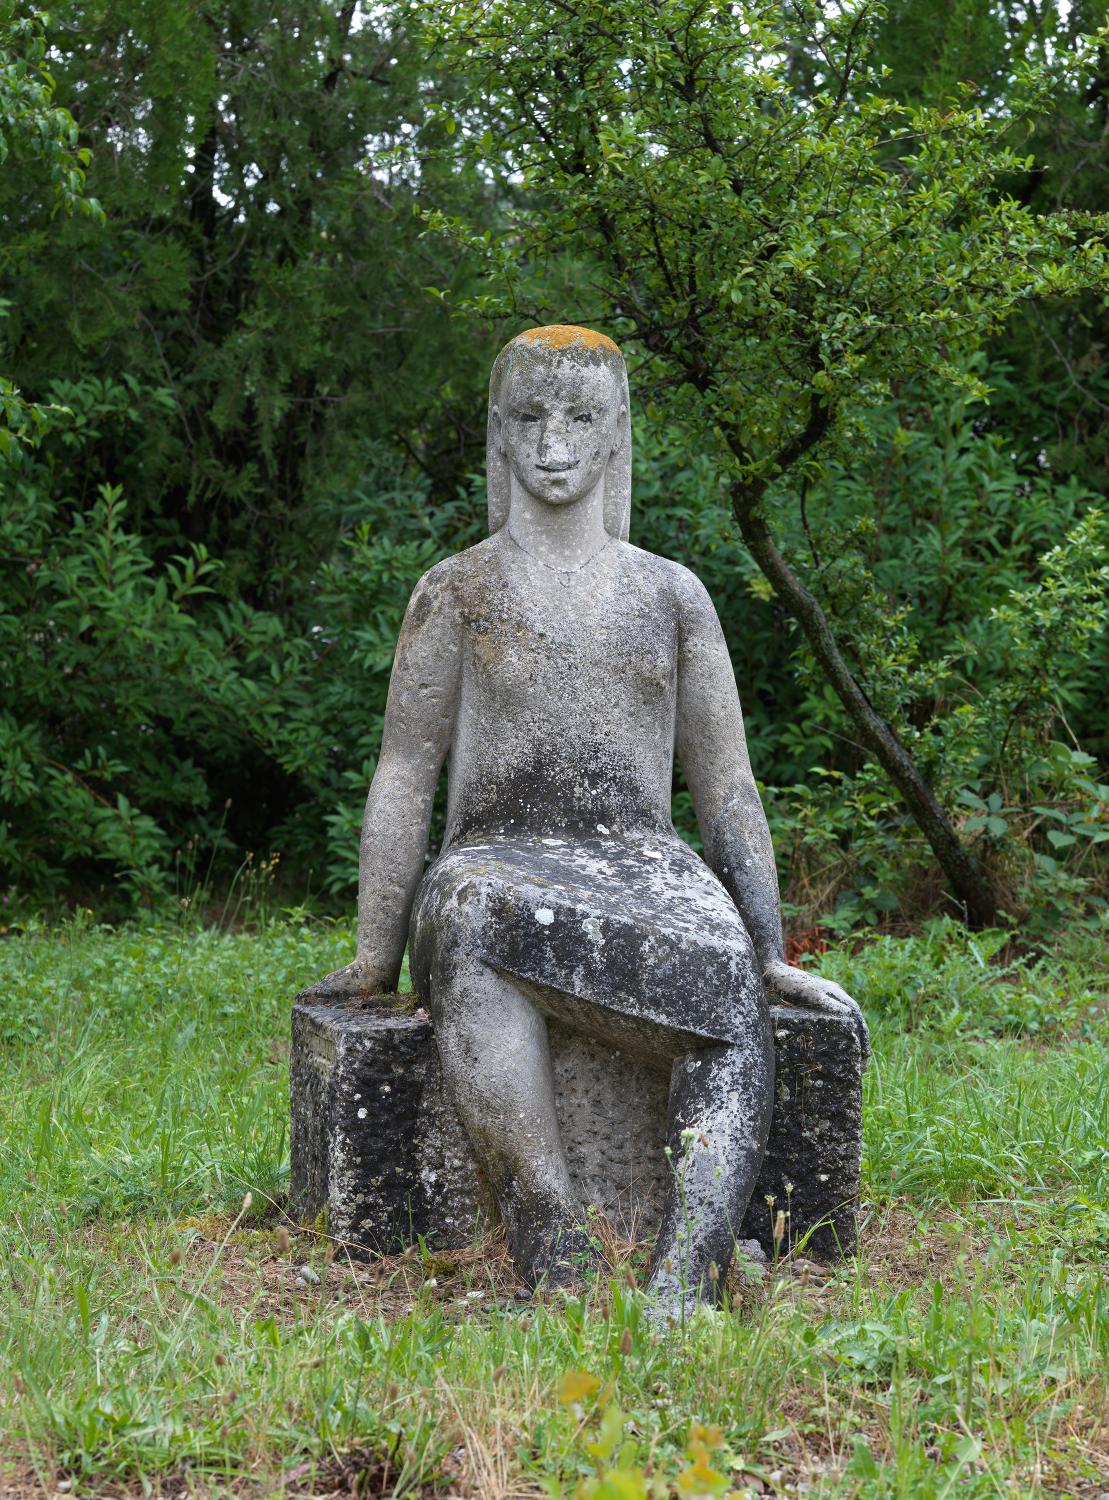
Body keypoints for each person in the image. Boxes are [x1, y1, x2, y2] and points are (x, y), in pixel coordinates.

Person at [305, 325, 867, 1321]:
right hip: (488, 864)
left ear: (616, 436)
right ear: (497, 434)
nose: (553, 443)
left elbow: (726, 784)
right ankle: (551, 1250)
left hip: (643, 867)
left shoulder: (670, 594)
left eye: (579, 418)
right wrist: (371, 963)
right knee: (478, 920)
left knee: (729, 994)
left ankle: (686, 1284)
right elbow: (404, 774)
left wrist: (769, 950)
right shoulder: (457, 590)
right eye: (529, 418)